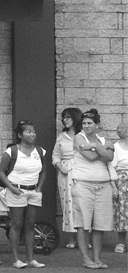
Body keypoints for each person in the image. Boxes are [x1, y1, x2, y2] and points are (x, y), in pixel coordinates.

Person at [0, 120, 48, 269]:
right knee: (17, 223)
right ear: (20, 135)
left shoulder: (40, 151)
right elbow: (0, 172)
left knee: (30, 224)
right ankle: (16, 259)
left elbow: (44, 171)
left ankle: (31, 258)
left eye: (33, 131)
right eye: (28, 131)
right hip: (17, 190)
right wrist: (11, 187)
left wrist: (39, 188)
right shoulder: (11, 152)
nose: (32, 134)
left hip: (33, 191)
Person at [72, 109, 114, 269]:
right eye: (84, 123)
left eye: (90, 123)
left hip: (103, 185)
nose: (86, 125)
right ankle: (86, 258)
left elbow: (110, 157)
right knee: (83, 223)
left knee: (99, 225)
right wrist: (102, 148)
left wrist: (94, 146)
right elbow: (89, 157)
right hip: (83, 184)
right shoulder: (78, 138)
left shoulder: (101, 139)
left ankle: (97, 258)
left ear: (97, 124)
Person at [52, 107, 82, 249]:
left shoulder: (82, 135)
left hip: (81, 170)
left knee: (82, 203)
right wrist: (59, 165)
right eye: (64, 117)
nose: (65, 120)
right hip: (65, 172)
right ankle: (71, 238)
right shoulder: (61, 137)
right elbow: (55, 155)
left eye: (68, 117)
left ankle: (84, 238)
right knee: (68, 204)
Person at [111, 124, 128, 253]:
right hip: (122, 183)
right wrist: (114, 186)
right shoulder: (116, 147)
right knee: (122, 211)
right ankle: (121, 242)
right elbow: (111, 167)